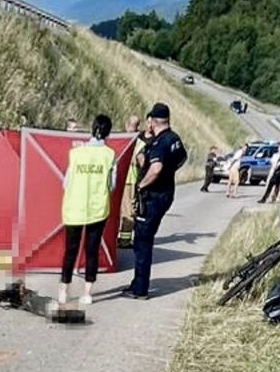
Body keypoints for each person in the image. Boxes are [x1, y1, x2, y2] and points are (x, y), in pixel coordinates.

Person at [123, 103, 185, 300]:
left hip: (154, 196)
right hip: (166, 193)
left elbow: (156, 168)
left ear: (152, 120)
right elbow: (181, 159)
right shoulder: (174, 139)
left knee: (142, 241)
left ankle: (140, 288)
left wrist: (141, 185)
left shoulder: (160, 142)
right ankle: (137, 282)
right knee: (144, 239)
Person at [58, 115, 116, 306]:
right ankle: (88, 293)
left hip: (74, 206)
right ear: (108, 132)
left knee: (70, 250)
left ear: (92, 129)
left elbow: (66, 182)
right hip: (97, 208)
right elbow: (112, 185)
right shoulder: (110, 155)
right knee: (91, 250)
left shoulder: (75, 153)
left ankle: (64, 291)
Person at [118, 115, 143, 248]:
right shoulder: (138, 143)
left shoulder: (117, 140)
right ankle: (125, 240)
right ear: (127, 125)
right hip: (129, 182)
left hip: (119, 180)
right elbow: (143, 163)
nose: (136, 128)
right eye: (135, 125)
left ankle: (120, 238)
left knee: (121, 211)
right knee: (129, 212)